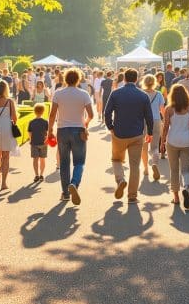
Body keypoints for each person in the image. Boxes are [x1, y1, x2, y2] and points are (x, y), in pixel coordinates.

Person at [104, 69, 154, 204]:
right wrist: (150, 132)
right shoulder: (143, 95)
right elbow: (149, 116)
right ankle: (132, 195)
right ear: (136, 79)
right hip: (137, 134)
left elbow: (107, 112)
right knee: (135, 165)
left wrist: (110, 127)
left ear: (124, 79)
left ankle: (121, 179)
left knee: (116, 159)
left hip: (119, 133)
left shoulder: (116, 93)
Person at [47, 69, 94, 205]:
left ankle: (65, 193)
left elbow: (52, 114)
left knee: (64, 163)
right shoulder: (84, 94)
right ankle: (74, 183)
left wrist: (50, 130)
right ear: (78, 79)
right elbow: (91, 114)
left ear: (65, 79)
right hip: (78, 129)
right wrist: (85, 123)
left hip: (62, 130)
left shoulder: (58, 93)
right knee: (79, 162)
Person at [161, 84, 189, 208]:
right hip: (188, 141)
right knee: (186, 170)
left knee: (174, 169)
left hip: (172, 141)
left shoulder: (169, 109)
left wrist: (162, 142)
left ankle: (176, 197)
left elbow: (166, 126)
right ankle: (186, 189)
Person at [140, 73, 165, 181]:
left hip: (143, 121)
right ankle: (154, 164)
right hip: (156, 120)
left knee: (144, 147)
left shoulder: (140, 94)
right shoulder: (158, 94)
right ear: (154, 83)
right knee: (155, 147)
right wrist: (164, 120)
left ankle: (145, 168)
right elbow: (162, 109)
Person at [27, 104, 49, 182]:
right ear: (43, 111)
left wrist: (30, 140)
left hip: (34, 143)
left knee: (35, 160)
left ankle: (36, 175)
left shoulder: (31, 122)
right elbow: (47, 132)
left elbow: (29, 133)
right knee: (42, 159)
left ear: (34, 111)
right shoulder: (45, 122)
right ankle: (41, 175)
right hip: (43, 143)